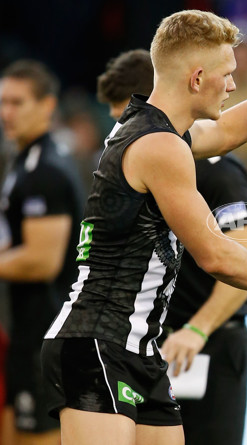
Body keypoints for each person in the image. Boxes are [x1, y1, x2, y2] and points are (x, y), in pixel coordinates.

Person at [40, 10, 247, 445]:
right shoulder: (158, 145)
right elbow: (214, 253)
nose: (232, 85)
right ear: (196, 78)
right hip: (97, 341)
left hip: (139, 349)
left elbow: (226, 130)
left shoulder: (151, 128)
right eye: (227, 75)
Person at [97, 48, 247, 445]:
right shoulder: (137, 160)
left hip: (207, 345)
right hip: (150, 342)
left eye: (125, 119)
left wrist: (196, 329)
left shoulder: (217, 170)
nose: (120, 134)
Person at [0, 60, 85, 445]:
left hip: (47, 333)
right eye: (3, 102)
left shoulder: (45, 171)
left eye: (18, 102)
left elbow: (41, 260)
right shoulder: (24, 162)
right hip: (27, 330)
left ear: (48, 106)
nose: (6, 113)